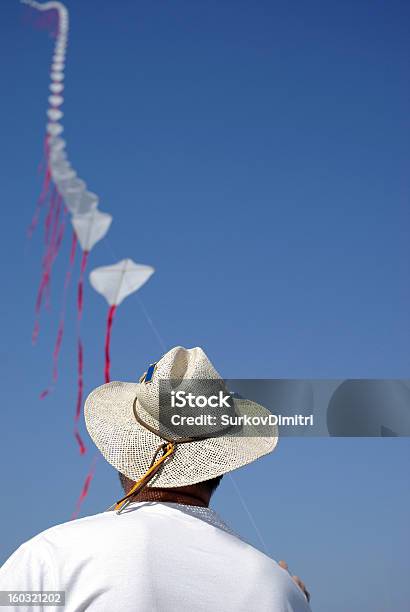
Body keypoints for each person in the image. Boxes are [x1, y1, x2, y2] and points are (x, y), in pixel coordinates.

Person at [0, 346, 311, 611]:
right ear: (219, 464)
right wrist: (290, 596)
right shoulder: (275, 589)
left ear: (124, 451)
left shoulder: (50, 559)